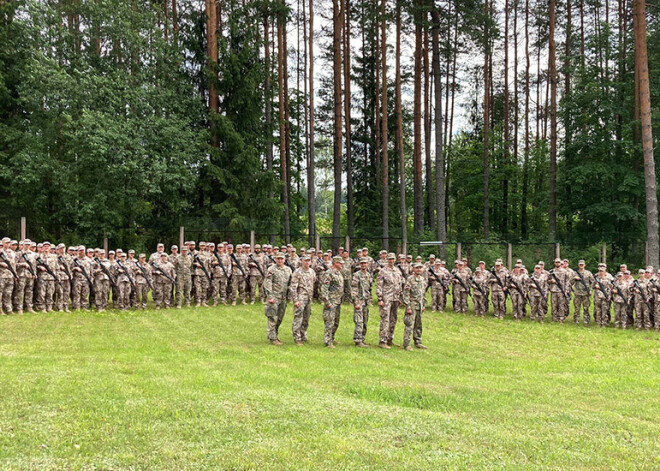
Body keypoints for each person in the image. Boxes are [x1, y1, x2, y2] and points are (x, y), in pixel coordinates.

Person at [263, 253, 292, 345]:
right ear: (275, 259)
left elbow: (291, 283)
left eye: (281, 259)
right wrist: (270, 296)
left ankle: (275, 334)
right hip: (274, 297)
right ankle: (272, 338)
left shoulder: (288, 270)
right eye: (278, 259)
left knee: (280, 318)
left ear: (284, 259)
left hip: (283, 297)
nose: (280, 260)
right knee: (272, 317)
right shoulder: (271, 269)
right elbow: (267, 283)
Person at [376, 253, 402, 349]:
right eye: (389, 259)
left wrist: (400, 297)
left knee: (393, 319)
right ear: (387, 259)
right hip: (386, 298)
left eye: (393, 259)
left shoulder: (397, 271)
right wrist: (380, 298)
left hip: (395, 298)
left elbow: (399, 285)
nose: (391, 260)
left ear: (395, 260)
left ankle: (390, 339)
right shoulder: (382, 271)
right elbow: (379, 285)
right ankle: (382, 341)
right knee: (385, 319)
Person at [289, 255, 316, 346]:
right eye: (305, 261)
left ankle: (303, 334)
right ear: (302, 261)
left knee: (306, 318)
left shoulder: (312, 271)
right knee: (298, 318)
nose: (307, 262)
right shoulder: (297, 272)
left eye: (309, 261)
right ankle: (297, 338)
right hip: (300, 298)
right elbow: (293, 287)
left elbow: (313, 283)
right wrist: (295, 300)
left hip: (309, 298)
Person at [401, 263, 428, 351]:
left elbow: (423, 293)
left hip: (419, 305)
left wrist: (424, 304)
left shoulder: (422, 279)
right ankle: (407, 344)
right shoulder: (410, 279)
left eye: (420, 268)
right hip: (412, 305)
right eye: (417, 268)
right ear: (413, 269)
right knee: (409, 324)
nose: (419, 269)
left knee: (418, 324)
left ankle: (418, 342)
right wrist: (408, 306)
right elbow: (406, 294)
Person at [319, 256, 344, 348]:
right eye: (340, 263)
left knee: (336, 322)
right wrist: (327, 302)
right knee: (329, 322)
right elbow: (324, 289)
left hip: (337, 301)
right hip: (331, 302)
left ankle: (332, 338)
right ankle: (327, 341)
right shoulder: (329, 273)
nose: (342, 264)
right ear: (335, 263)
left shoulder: (338, 273)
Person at [351, 258, 372, 348]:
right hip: (359, 301)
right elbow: (354, 289)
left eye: (365, 263)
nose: (363, 265)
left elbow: (369, 289)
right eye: (362, 263)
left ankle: (362, 338)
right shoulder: (356, 275)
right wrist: (356, 303)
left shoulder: (368, 275)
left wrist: (370, 300)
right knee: (359, 321)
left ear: (368, 264)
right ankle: (358, 340)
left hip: (366, 301)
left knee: (365, 321)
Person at [548, 258, 570, 322]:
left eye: (558, 262)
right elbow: (547, 281)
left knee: (561, 305)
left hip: (561, 291)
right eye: (556, 262)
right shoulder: (551, 271)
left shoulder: (565, 271)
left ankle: (561, 318)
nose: (557, 263)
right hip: (553, 290)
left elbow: (567, 282)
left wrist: (566, 290)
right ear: (554, 263)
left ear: (561, 263)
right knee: (554, 305)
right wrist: (551, 281)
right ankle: (554, 318)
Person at [572, 260, 594, 325]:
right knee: (577, 308)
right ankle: (576, 321)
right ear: (578, 265)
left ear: (584, 265)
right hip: (577, 293)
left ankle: (586, 321)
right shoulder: (575, 273)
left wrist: (591, 290)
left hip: (585, 293)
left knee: (586, 308)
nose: (581, 266)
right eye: (580, 264)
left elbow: (593, 282)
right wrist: (574, 278)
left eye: (582, 264)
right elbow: (570, 282)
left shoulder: (588, 273)